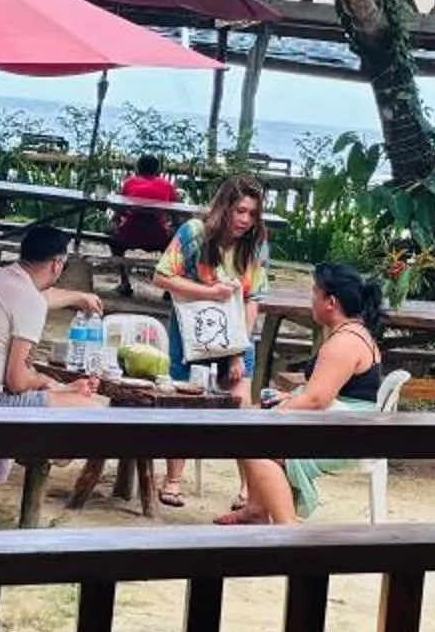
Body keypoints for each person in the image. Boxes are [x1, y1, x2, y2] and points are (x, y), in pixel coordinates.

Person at [222, 260, 386, 525]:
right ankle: (256, 509)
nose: (311, 298)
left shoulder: (345, 342)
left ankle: (288, 529)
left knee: (253, 437)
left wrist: (275, 413)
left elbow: (316, 399)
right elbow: (324, 393)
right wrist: (286, 400)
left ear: (330, 302)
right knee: (252, 417)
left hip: (349, 433)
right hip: (347, 422)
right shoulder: (351, 333)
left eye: (314, 292)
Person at [150, 174, 268, 507]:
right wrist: (210, 292)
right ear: (225, 207)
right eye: (240, 210)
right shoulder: (193, 234)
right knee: (183, 408)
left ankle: (249, 489)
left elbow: (252, 299)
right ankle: (173, 480)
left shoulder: (255, 246)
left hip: (237, 340)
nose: (245, 220)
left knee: (242, 411)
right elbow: (162, 277)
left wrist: (236, 352)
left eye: (252, 214)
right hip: (190, 338)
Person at [0, 223, 104, 406]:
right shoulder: (30, 299)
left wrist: (80, 298)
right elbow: (17, 382)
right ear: (57, 265)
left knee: (65, 394)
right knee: (91, 409)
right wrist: (54, 385)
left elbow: (41, 298)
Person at [106, 152, 182, 259]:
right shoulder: (167, 186)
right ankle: (163, 269)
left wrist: (114, 222)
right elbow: (176, 215)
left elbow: (120, 211)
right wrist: (172, 226)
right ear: (157, 170)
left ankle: (120, 267)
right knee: (175, 235)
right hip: (158, 237)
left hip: (129, 235)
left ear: (138, 168)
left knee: (112, 236)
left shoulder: (129, 183)